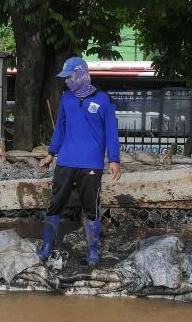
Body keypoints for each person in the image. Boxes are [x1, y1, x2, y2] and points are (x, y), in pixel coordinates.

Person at [38, 57, 122, 266]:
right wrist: (51, 154)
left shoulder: (104, 100)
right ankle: (47, 247)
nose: (68, 80)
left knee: (91, 208)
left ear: (83, 74)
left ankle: (91, 251)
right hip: (66, 161)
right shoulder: (66, 98)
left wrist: (114, 159)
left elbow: (112, 131)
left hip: (91, 164)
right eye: (66, 77)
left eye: (71, 76)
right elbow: (60, 129)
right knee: (55, 204)